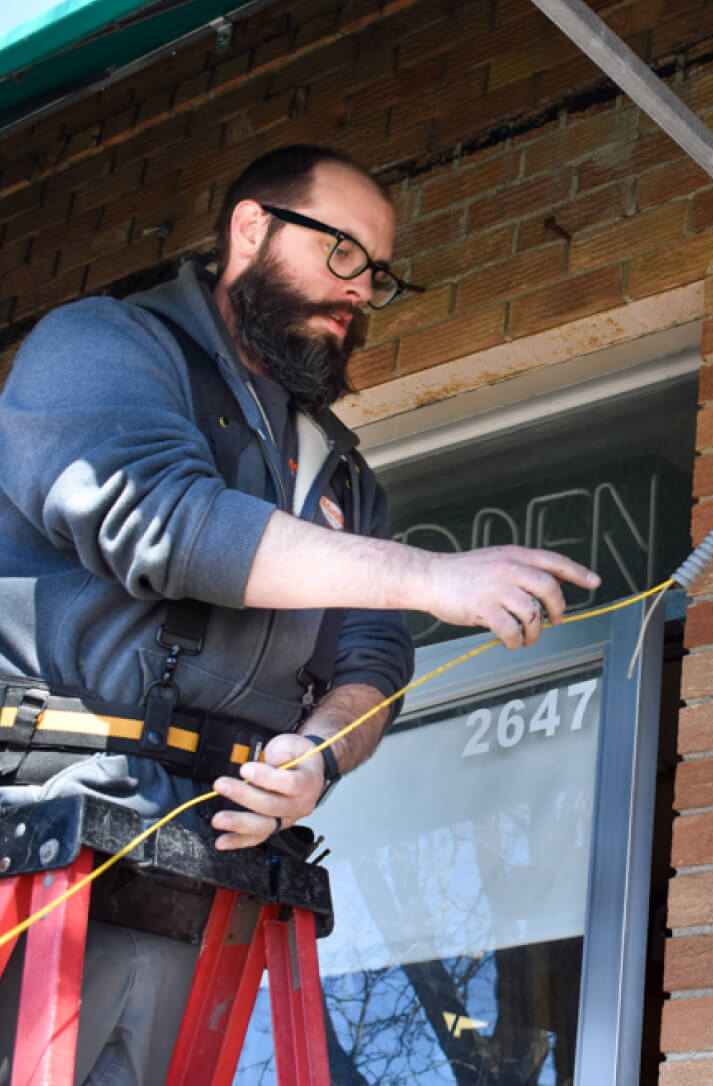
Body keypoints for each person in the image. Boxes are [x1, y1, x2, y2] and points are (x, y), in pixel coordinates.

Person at [0, 144, 599, 1084]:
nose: (362, 291)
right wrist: (433, 577)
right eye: (343, 254)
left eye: (378, 273)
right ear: (252, 231)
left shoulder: (340, 469)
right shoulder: (102, 344)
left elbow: (374, 659)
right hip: (38, 830)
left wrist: (317, 754)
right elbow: (162, 523)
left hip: (207, 863)